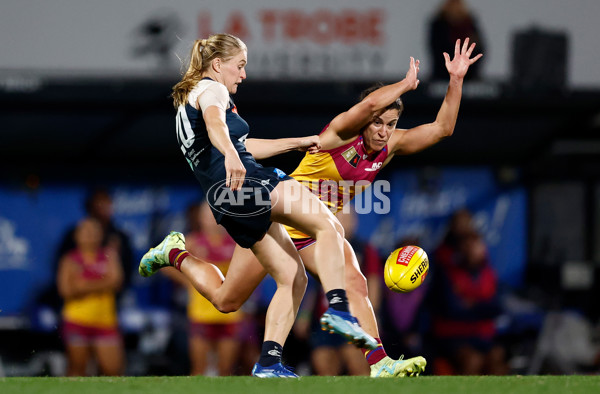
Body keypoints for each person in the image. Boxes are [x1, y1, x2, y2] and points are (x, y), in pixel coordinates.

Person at [144, 36, 481, 378]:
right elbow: (363, 108)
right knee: (230, 298)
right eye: (377, 122)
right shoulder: (341, 133)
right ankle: (180, 256)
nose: (383, 131)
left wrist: (455, 80)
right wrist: (406, 84)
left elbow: (442, 129)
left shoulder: (391, 146)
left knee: (350, 280)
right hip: (280, 211)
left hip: (305, 223)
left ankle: (377, 362)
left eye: (390, 124)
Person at [138, 33, 377, 378]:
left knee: (262, 288)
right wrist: (233, 156)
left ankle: (175, 256)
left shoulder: (188, 101)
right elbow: (217, 125)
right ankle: (339, 308)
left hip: (226, 201)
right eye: (240, 65)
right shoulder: (211, 89)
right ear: (218, 64)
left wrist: (295, 142)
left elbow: (239, 142)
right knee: (329, 225)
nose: (243, 74)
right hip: (248, 183)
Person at [162, 201, 244, 376]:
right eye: (208, 215)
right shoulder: (192, 241)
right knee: (199, 370)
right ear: (200, 218)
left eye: (216, 214)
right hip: (200, 314)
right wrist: (189, 281)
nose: (212, 219)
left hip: (229, 315)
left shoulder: (236, 242)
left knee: (226, 371)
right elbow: (164, 262)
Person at [429, 229, 508, 375]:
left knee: (497, 357)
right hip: (453, 336)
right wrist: (481, 306)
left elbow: (497, 308)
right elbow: (452, 309)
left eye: (476, 245)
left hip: (481, 335)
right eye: (468, 246)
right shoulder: (447, 274)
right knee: (472, 360)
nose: (473, 250)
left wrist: (472, 304)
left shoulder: (489, 274)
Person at [56, 217, 125, 376]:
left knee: (113, 372)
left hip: (105, 322)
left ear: (101, 235)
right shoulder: (69, 259)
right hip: (77, 321)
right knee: (77, 371)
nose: (90, 235)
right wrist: (103, 281)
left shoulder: (109, 255)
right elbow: (65, 290)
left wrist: (83, 284)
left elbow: (116, 282)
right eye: (86, 231)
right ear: (76, 236)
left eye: (94, 231)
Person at [429, 0, 485, 81]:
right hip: (443, 75)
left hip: (468, 75)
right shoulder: (439, 25)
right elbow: (438, 51)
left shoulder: (469, 24)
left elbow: (479, 48)